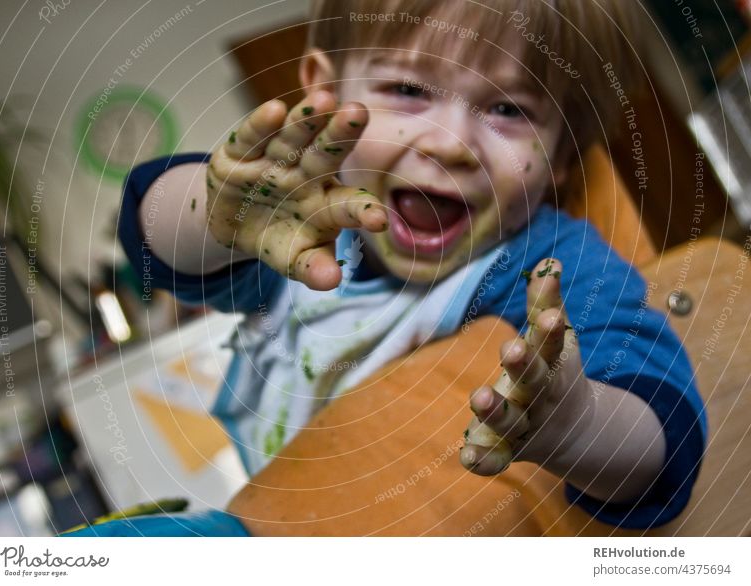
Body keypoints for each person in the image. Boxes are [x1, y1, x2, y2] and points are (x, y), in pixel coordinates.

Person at [68, 0, 706, 536]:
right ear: (325, 90)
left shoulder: (548, 263)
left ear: (560, 157)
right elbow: (157, 242)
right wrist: (211, 214)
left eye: (510, 110)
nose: (449, 143)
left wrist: (581, 424)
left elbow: (663, 428)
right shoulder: (301, 226)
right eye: (407, 89)